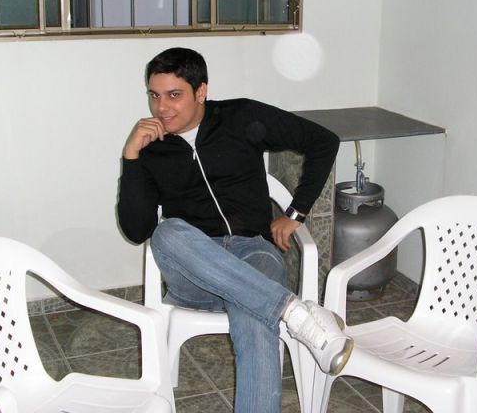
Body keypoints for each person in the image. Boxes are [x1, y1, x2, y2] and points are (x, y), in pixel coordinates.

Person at [117, 47, 352, 413]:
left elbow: (323, 141)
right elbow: (137, 230)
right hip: (193, 274)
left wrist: (296, 213)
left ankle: (280, 309)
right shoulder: (151, 149)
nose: (161, 108)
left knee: (254, 316)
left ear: (201, 91)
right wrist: (131, 157)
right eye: (154, 95)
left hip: (253, 252)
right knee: (167, 234)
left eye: (174, 95)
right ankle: (295, 313)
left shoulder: (241, 117)